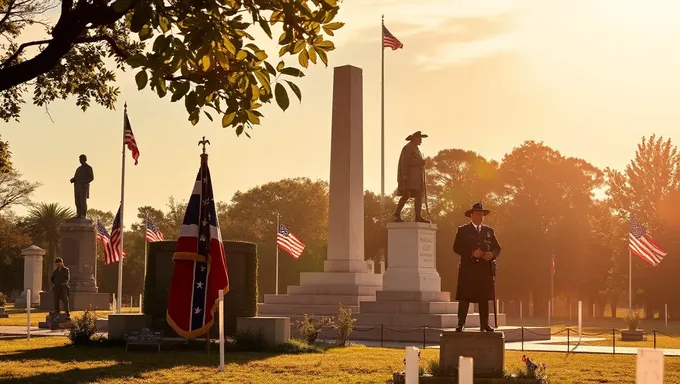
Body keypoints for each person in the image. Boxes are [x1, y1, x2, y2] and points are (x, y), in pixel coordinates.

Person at [453, 202, 501, 332]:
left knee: (484, 298)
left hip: (484, 269)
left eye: (482, 214)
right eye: (478, 214)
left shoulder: (489, 231)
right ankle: (460, 323)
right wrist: (471, 253)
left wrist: (492, 254)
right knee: (464, 296)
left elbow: (497, 248)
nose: (481, 216)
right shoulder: (463, 230)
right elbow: (456, 247)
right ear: (471, 215)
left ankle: (484, 324)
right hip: (468, 269)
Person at [393, 131, 430, 223]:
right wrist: (405, 174)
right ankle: (397, 213)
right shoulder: (408, 148)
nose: (421, 140)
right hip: (409, 177)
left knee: (418, 195)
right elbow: (405, 162)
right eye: (419, 138)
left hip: (416, 178)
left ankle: (418, 216)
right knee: (406, 194)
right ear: (415, 139)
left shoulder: (416, 149)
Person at [70, 154, 94, 219]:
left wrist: (84, 181)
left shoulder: (88, 168)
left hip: (83, 186)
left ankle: (83, 214)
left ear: (84, 159)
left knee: (82, 201)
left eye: (81, 159)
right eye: (79, 159)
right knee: (77, 201)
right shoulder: (79, 169)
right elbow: (76, 177)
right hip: (77, 186)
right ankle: (78, 213)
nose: (80, 160)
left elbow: (91, 178)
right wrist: (73, 179)